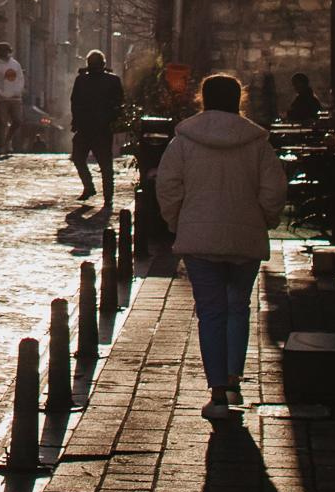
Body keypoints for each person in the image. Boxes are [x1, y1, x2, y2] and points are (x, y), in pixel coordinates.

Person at [154, 68, 288, 418]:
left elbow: (168, 186)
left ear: (203, 99)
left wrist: (177, 221)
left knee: (210, 312)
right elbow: (274, 189)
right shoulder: (257, 142)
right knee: (237, 306)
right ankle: (232, 378)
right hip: (244, 236)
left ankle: (217, 392)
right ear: (239, 100)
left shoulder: (184, 140)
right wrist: (263, 219)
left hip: (199, 237)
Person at [69, 49, 123, 208]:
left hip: (90, 127)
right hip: (99, 128)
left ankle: (93, 189)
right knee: (104, 165)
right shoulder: (112, 80)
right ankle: (105, 195)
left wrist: (76, 120)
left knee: (81, 159)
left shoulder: (82, 80)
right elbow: (119, 102)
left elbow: (75, 102)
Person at [0, 44, 28, 156]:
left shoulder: (15, 64)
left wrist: (17, 91)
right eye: (4, 51)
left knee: (18, 120)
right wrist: (0, 93)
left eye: (8, 51)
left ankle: (8, 140)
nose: (6, 53)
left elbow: (20, 79)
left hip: (15, 98)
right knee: (2, 122)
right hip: (1, 99)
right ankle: (2, 145)